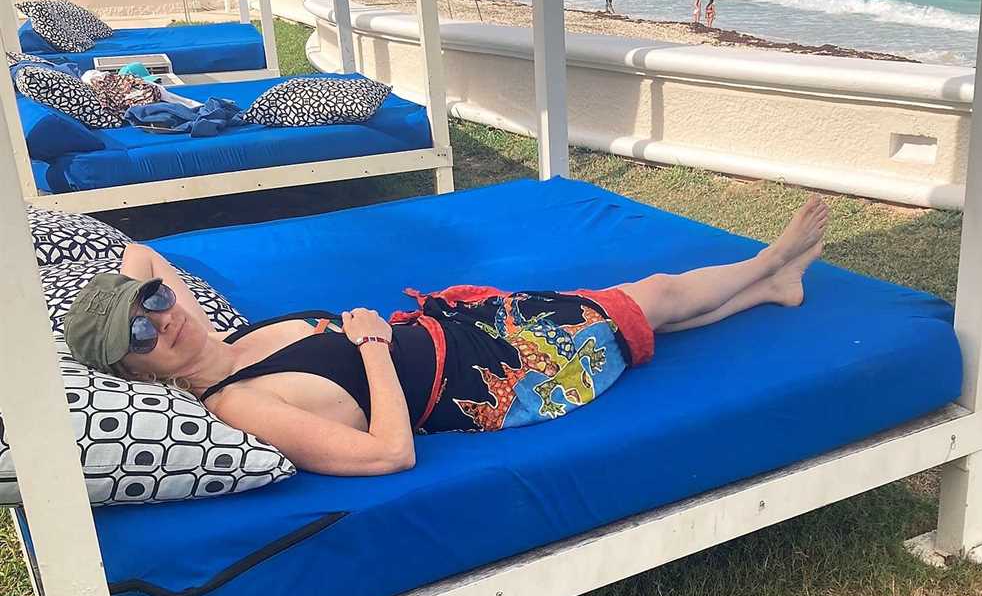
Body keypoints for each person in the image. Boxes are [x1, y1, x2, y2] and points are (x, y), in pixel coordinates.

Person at [64, 197, 830, 476]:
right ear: (137, 373)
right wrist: (369, 347)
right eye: (140, 331)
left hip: (469, 325)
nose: (163, 316)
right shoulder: (240, 405)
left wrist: (120, 298)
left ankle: (767, 285)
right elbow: (390, 452)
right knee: (648, 300)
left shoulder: (222, 338)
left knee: (636, 310)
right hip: (499, 381)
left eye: (157, 300)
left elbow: (136, 253)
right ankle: (765, 263)